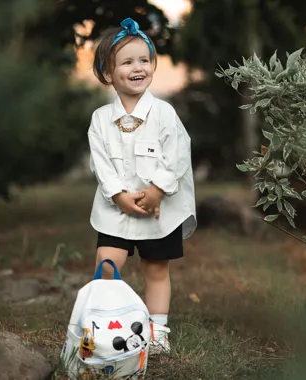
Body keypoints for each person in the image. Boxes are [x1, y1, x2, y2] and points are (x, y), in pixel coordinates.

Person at [87, 17, 197, 355]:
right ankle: (105, 322)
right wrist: (118, 195)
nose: (138, 68)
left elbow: (177, 155)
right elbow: (101, 163)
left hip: (157, 209)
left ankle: (157, 329)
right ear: (108, 73)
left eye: (144, 60)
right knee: (107, 263)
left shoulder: (163, 113)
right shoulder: (101, 120)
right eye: (128, 62)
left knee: (155, 268)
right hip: (116, 208)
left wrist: (157, 191)